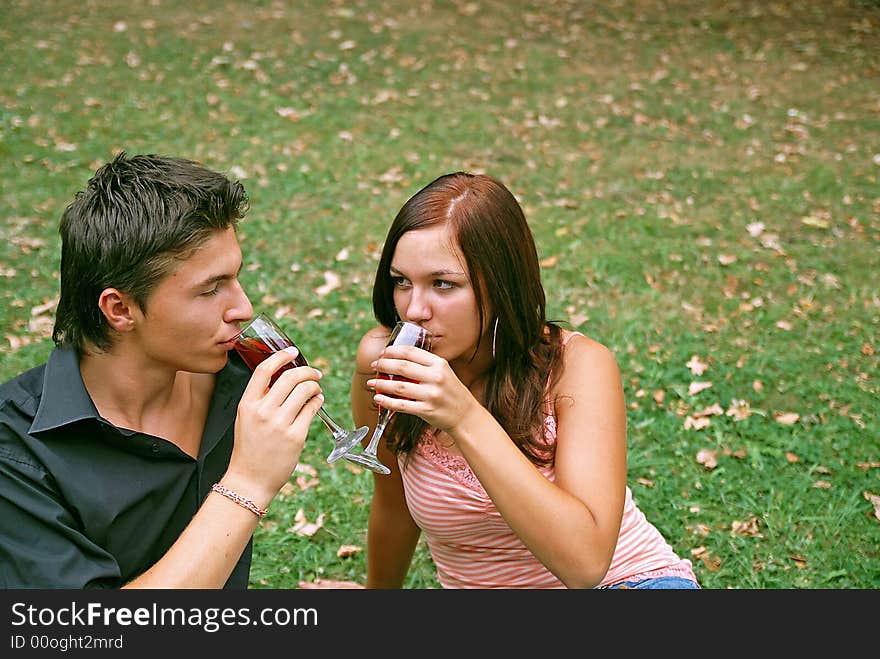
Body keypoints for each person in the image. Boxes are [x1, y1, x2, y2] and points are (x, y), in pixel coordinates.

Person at [350, 172, 700, 589]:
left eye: (444, 284)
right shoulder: (386, 365)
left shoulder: (578, 367)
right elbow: (394, 509)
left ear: (501, 286)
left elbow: (586, 564)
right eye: (402, 282)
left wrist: (464, 418)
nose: (415, 310)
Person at [0, 152, 324, 588]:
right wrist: (248, 482)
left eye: (235, 277)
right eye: (210, 289)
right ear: (120, 308)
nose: (243, 308)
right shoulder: (18, 455)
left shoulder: (237, 379)